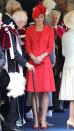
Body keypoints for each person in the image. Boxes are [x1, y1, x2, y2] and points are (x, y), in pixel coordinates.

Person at [0, 1, 34, 131]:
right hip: (11, 68)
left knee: (13, 96)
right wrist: (27, 64)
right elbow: (13, 53)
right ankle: (10, 123)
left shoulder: (11, 31)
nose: (24, 24)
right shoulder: (9, 31)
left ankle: (11, 123)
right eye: (24, 22)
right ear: (19, 22)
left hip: (10, 67)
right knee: (14, 96)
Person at [25, 3, 55, 129]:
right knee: (34, 93)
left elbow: (50, 47)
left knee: (45, 92)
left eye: (41, 16)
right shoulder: (29, 30)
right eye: (37, 17)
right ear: (34, 17)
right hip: (33, 64)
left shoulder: (49, 30)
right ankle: (36, 120)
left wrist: (41, 57)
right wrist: (33, 57)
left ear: (44, 17)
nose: (39, 19)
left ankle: (43, 120)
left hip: (45, 63)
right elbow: (27, 46)